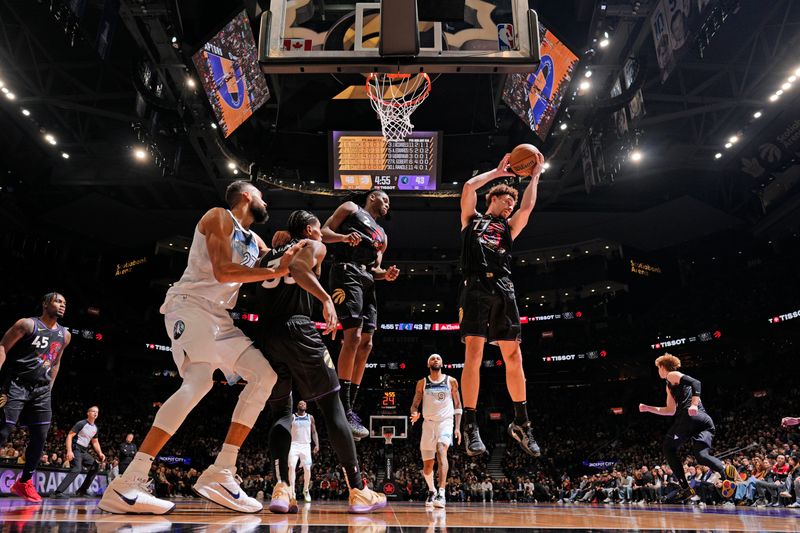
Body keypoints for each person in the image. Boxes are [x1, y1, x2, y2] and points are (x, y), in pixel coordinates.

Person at [99, 180, 302, 515]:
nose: (266, 204)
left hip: (219, 318)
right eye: (262, 197)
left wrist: (284, 250)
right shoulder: (220, 217)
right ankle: (129, 480)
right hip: (191, 306)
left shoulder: (254, 239)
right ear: (246, 197)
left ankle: (221, 472)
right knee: (198, 383)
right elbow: (223, 271)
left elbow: (269, 264)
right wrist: (275, 265)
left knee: (265, 377)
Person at [258, 210, 386, 514]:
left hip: (267, 334)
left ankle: (281, 489)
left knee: (281, 410)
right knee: (333, 407)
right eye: (319, 228)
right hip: (299, 330)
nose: (322, 233)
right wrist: (326, 298)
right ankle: (358, 490)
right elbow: (301, 269)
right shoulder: (312, 245)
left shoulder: (269, 254)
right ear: (310, 230)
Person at [458, 153, 544, 456]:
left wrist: (535, 176)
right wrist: (497, 172)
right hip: (476, 287)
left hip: (504, 289)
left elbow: (528, 206)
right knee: (474, 354)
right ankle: (470, 424)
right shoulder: (472, 221)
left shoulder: (509, 228)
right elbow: (468, 188)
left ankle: (522, 423)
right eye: (507, 202)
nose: (511, 206)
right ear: (493, 199)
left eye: (512, 204)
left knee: (514, 356)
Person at [321, 190, 399, 439]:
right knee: (352, 337)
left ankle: (349, 407)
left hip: (367, 279)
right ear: (373, 196)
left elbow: (375, 267)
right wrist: (344, 238)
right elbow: (323, 233)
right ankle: (342, 404)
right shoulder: (351, 208)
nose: (387, 204)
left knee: (367, 343)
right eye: (384, 198)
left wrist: (385, 274)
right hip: (345, 271)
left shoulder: (383, 236)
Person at [0, 292, 70, 502]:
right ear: (45, 303)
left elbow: (56, 362)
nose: (62, 305)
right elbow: (2, 345)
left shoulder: (65, 335)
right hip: (16, 384)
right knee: (3, 431)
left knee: (40, 436)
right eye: (58, 301)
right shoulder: (27, 324)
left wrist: (49, 388)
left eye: (64, 303)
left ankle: (24, 482)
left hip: (41, 390)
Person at [639, 353, 735, 503]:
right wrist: (647, 408)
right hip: (705, 423)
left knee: (668, 448)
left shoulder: (672, 374)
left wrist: (694, 404)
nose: (658, 371)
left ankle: (685, 488)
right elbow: (670, 410)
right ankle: (726, 473)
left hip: (689, 418)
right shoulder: (669, 384)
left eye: (658, 368)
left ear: (662, 367)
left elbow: (696, 383)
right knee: (701, 456)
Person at [410, 353, 462, 508]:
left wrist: (457, 427)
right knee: (427, 468)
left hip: (445, 422)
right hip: (428, 424)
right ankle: (431, 490)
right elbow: (414, 404)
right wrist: (414, 413)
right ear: (428, 364)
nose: (436, 360)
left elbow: (458, 405)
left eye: (438, 358)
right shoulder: (422, 383)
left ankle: (441, 492)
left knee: (441, 450)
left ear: (442, 363)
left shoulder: (451, 381)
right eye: (432, 358)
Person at [53, 406, 106, 497]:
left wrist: (100, 453)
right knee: (77, 468)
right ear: (88, 413)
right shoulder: (81, 423)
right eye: (93, 411)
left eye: (97, 412)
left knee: (95, 466)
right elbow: (69, 436)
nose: (95, 413)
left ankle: (82, 490)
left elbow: (95, 442)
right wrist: (69, 451)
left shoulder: (95, 428)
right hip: (75, 448)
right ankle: (57, 492)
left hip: (83, 451)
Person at [288, 400, 319, 503]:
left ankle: (306, 490)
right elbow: (287, 431)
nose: (302, 404)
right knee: (292, 466)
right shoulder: (292, 417)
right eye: (300, 403)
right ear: (297, 406)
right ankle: (292, 491)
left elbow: (314, 432)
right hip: (294, 444)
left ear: (306, 407)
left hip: (306, 446)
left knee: (307, 469)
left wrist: (317, 444)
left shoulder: (310, 417)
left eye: (304, 404)